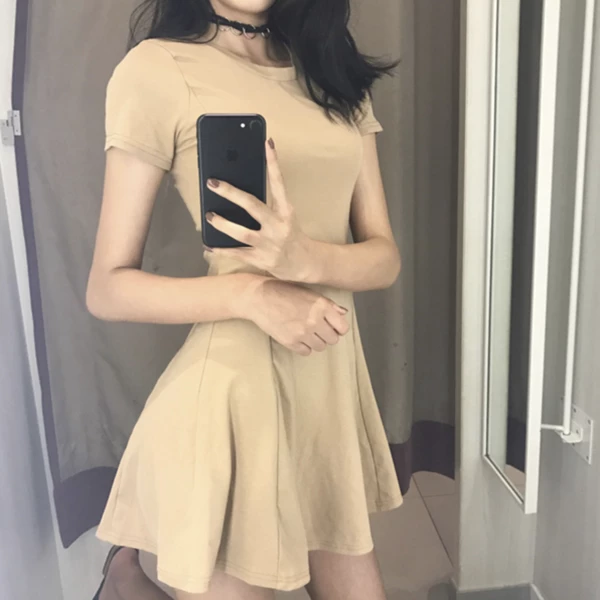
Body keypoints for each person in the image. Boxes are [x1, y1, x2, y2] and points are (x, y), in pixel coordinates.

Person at [86, 1, 403, 598]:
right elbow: (107, 287)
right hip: (231, 403)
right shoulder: (157, 69)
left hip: (326, 401)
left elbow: (384, 258)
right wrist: (253, 292)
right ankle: (127, 579)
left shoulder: (332, 72)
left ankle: (127, 579)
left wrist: (303, 258)